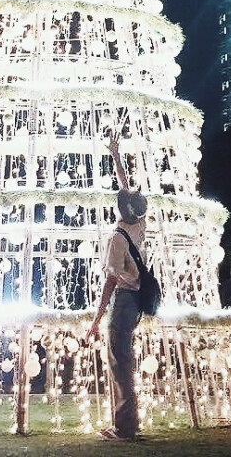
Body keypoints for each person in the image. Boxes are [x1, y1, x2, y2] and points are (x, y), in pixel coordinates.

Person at [87, 133, 147, 440]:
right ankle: (128, 424)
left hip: (123, 302)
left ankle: (124, 428)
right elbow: (127, 190)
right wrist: (116, 156)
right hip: (136, 302)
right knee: (125, 361)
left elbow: (111, 281)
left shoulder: (117, 239)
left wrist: (97, 320)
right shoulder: (139, 227)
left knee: (119, 363)